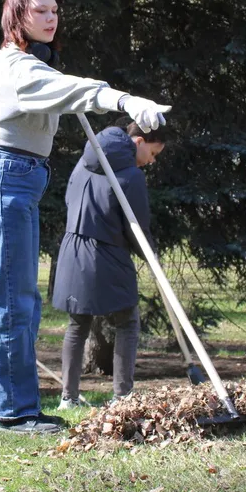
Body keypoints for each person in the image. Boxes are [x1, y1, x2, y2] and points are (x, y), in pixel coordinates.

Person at [0, 0, 171, 435]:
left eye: (55, 10)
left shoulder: (38, 66)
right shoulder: (18, 68)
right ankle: (10, 413)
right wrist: (125, 100)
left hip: (18, 181)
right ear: (18, 15)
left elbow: (65, 87)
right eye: (40, 10)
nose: (51, 18)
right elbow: (77, 90)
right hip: (3, 180)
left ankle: (19, 407)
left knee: (23, 301)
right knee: (11, 302)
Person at [53, 121, 167, 408]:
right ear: (139, 141)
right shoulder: (130, 176)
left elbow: (69, 199)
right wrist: (151, 257)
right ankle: (122, 396)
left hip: (72, 249)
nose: (151, 162)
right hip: (107, 254)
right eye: (153, 154)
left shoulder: (84, 161)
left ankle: (68, 397)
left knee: (77, 323)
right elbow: (137, 227)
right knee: (127, 320)